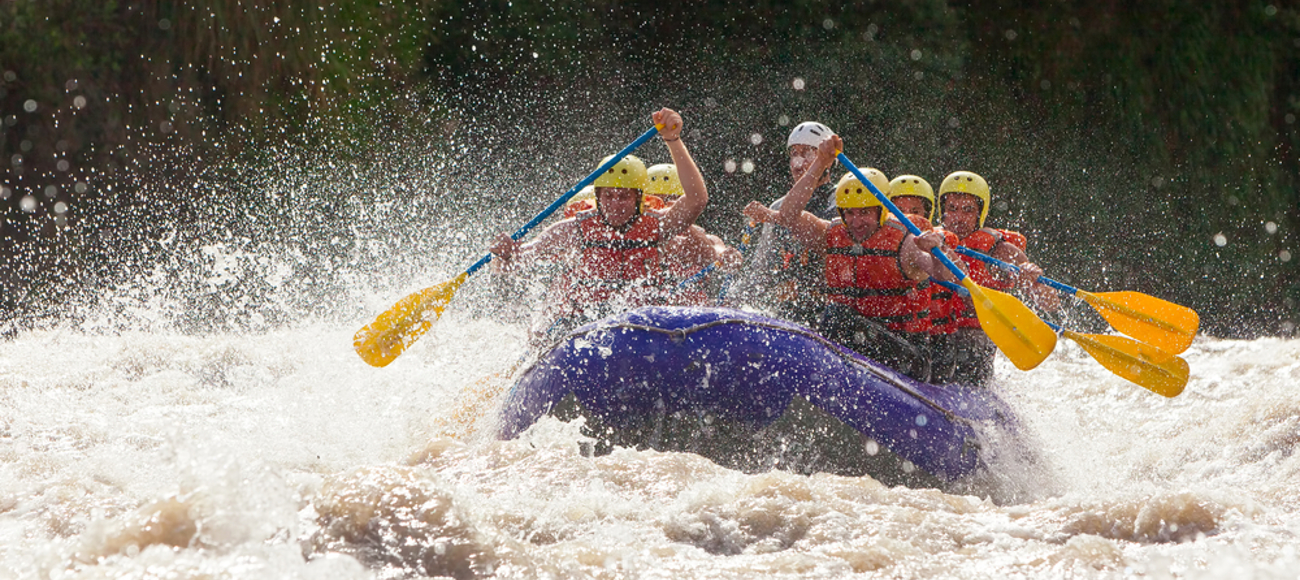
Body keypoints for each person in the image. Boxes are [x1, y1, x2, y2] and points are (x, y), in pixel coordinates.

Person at [489, 108, 708, 345]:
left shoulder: (658, 225)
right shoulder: (572, 229)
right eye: (608, 196)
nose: (615, 204)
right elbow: (516, 262)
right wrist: (505, 255)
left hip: (641, 326)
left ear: (639, 198)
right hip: (582, 327)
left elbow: (696, 199)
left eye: (623, 196)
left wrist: (672, 140)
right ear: (597, 196)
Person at [774, 134, 959, 381]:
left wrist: (937, 252)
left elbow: (945, 274)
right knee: (802, 310)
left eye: (864, 213)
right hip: (858, 344)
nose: (856, 222)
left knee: (836, 318)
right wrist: (820, 162)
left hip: (907, 356)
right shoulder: (832, 234)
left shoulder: (905, 243)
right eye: (849, 213)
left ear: (881, 210)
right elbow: (786, 216)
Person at [935, 170, 1059, 387]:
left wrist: (1032, 276)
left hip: (975, 340)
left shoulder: (1000, 251)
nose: (958, 218)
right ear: (941, 211)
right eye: (952, 209)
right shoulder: (928, 241)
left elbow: (1050, 304)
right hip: (935, 333)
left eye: (967, 210)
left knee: (970, 345)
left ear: (980, 214)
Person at [731, 121, 840, 324]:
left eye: (808, 153)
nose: (798, 163)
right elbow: (761, 271)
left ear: (827, 160)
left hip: (825, 312)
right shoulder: (778, 205)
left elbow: (824, 237)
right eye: (794, 154)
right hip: (784, 311)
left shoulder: (840, 199)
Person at [886, 174, 963, 383]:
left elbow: (958, 274)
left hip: (937, 340)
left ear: (927, 215)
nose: (907, 216)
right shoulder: (881, 241)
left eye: (915, 211)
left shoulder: (937, 241)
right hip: (897, 335)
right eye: (900, 210)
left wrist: (940, 247)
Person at [644, 163, 742, 305]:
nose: (663, 210)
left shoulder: (705, 237)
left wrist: (682, 221)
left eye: (670, 202)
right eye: (656, 203)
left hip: (694, 315)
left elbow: (718, 253)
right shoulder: (639, 239)